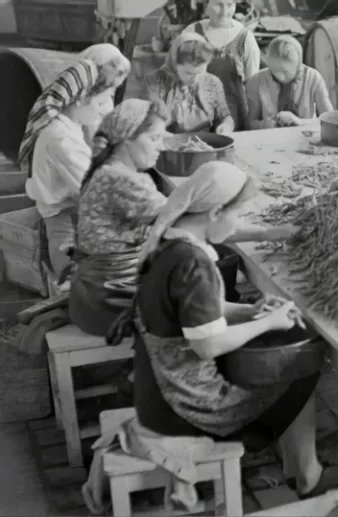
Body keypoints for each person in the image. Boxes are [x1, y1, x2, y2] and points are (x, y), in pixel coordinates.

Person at [108, 162, 338, 498]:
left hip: (158, 377)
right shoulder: (192, 264)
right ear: (214, 212)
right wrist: (267, 323)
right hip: (188, 400)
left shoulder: (169, 242)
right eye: (237, 213)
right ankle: (308, 474)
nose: (237, 224)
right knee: (298, 371)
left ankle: (298, 457)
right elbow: (208, 345)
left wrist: (250, 310)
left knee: (279, 362)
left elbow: (198, 314)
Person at [19, 45, 131, 283]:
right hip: (64, 222)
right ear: (81, 99)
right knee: (78, 286)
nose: (106, 110)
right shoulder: (61, 138)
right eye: (101, 103)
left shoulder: (69, 123)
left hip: (74, 214)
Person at [69, 99, 170, 337]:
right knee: (193, 300)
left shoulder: (109, 169)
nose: (162, 147)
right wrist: (265, 232)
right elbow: (181, 217)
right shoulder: (121, 179)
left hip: (94, 295)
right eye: (154, 138)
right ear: (127, 140)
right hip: (108, 303)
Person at [184, 0, 261, 131]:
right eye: (218, 4)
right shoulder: (192, 33)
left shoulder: (245, 38)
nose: (225, 12)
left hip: (234, 114)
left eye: (230, 5)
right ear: (206, 5)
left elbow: (252, 85)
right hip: (199, 113)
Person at [144, 33, 235, 134]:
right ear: (174, 65)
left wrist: (226, 126)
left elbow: (225, 117)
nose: (194, 79)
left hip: (206, 143)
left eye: (200, 72)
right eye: (188, 73)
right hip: (167, 142)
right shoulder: (155, 81)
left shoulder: (213, 82)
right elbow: (150, 122)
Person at [246, 35, 333, 130]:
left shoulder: (313, 78)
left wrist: (299, 122)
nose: (280, 76)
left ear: (298, 66)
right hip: (271, 137)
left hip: (306, 135)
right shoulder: (257, 80)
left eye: (286, 72)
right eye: (274, 70)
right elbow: (250, 123)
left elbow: (330, 120)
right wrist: (264, 125)